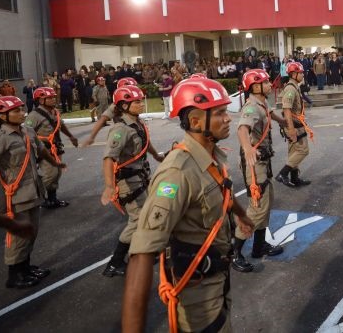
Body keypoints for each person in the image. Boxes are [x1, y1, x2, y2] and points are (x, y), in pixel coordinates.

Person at [122, 77, 254, 333]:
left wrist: (241, 215)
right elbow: (142, 253)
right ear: (195, 121)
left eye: (226, 111)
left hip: (218, 277)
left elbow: (223, 187)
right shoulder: (177, 172)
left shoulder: (210, 156)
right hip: (197, 292)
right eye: (220, 113)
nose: (228, 118)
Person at [0, 96, 65, 288]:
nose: (22, 113)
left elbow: (41, 150)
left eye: (22, 109)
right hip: (13, 195)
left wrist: (55, 163)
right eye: (16, 111)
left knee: (32, 231)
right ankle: (15, 275)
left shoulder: (27, 131)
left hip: (32, 191)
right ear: (2, 116)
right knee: (18, 236)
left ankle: (26, 267)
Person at [99, 85, 163, 277]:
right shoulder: (120, 129)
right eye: (136, 102)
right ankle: (115, 263)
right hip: (128, 181)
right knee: (137, 220)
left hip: (141, 176)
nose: (140, 104)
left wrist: (157, 156)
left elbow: (146, 142)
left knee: (150, 212)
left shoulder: (137, 123)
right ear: (124, 105)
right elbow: (109, 158)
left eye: (140, 100)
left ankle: (143, 251)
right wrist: (109, 186)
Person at [231, 69, 286, 273]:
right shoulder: (252, 107)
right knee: (256, 209)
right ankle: (235, 252)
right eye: (265, 82)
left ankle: (259, 246)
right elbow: (242, 128)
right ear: (255, 86)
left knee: (266, 204)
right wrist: (248, 149)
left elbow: (270, 113)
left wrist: (285, 122)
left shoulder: (261, 103)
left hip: (264, 163)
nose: (270, 83)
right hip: (255, 165)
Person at [25, 87, 78, 209]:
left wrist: (71, 136)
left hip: (56, 147)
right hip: (44, 149)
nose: (53, 99)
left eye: (53, 97)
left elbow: (61, 125)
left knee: (57, 173)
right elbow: (28, 133)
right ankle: (33, 198)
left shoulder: (55, 112)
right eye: (49, 98)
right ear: (40, 100)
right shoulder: (34, 115)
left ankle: (52, 199)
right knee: (50, 174)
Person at [275, 62, 313, 188]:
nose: (303, 75)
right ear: (294, 74)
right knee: (303, 150)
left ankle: (294, 178)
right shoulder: (291, 89)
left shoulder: (295, 86)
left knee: (293, 152)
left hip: (296, 124)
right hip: (294, 126)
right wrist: (291, 130)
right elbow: (286, 109)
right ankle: (282, 174)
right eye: (301, 73)